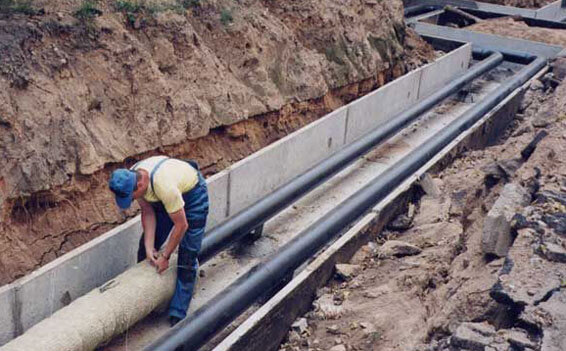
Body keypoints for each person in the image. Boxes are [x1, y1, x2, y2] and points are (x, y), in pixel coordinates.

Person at [108, 155, 209, 326]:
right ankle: (144, 298)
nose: (132, 201)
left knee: (187, 255)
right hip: (164, 199)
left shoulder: (164, 186)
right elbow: (148, 212)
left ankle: (178, 311)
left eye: (132, 197)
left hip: (193, 196)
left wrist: (166, 256)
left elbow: (181, 225)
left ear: (139, 186)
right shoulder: (134, 177)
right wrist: (149, 248)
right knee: (145, 247)